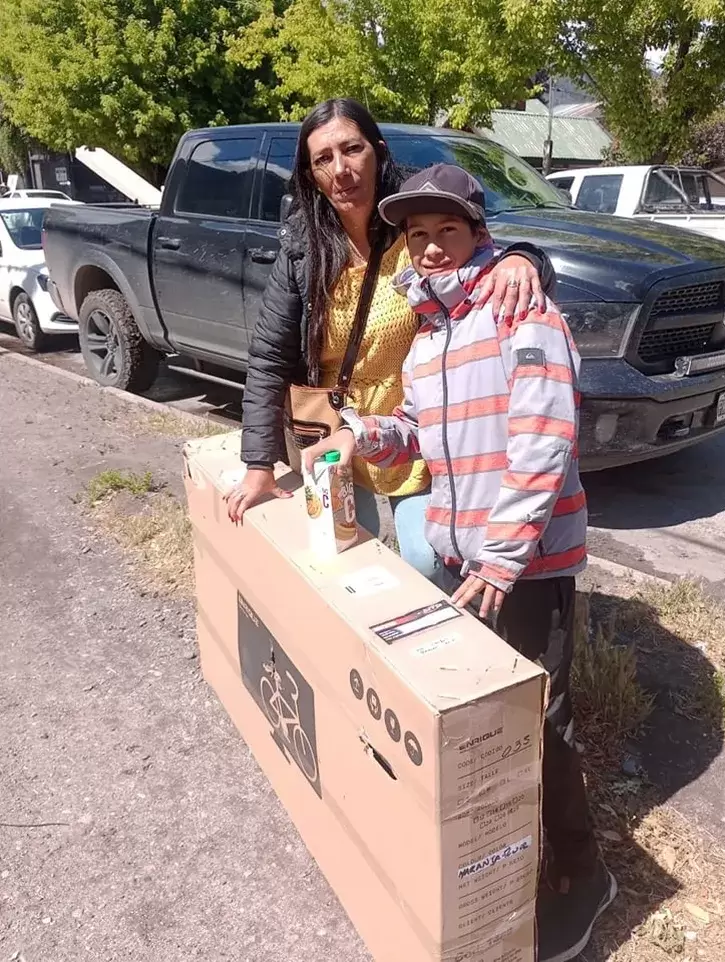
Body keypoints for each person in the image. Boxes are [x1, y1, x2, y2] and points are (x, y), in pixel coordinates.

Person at [302, 164, 616, 962]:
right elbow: (416, 429)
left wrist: (503, 562)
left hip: (523, 567)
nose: (432, 247)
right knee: (493, 728)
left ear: (480, 234)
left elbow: (544, 445)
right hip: (465, 560)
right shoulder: (431, 333)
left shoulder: (522, 312)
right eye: (417, 235)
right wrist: (364, 435)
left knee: (544, 723)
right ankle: (503, 860)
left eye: (447, 231)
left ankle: (585, 873)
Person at [225, 98, 554, 579]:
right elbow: (269, 355)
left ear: (377, 152)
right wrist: (258, 463)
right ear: (311, 173)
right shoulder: (304, 244)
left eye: (352, 149)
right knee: (345, 553)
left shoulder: (415, 219)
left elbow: (484, 246)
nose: (341, 170)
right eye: (323, 159)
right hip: (335, 429)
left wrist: (523, 259)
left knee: (426, 559)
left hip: (414, 431)